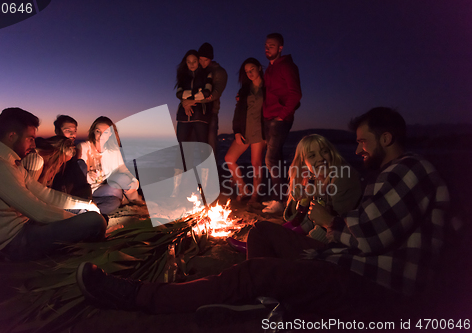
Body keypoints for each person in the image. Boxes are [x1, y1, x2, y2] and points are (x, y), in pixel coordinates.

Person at [76, 107, 449, 318]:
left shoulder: (410, 170)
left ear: (387, 139)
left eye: (363, 143)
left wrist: (331, 223)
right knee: (262, 233)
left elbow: (367, 237)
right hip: (341, 258)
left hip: (364, 282)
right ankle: (265, 304)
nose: (359, 150)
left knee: (252, 272)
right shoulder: (392, 174)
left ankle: (140, 296)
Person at [0, 108, 106, 262]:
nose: (34, 143)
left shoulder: (10, 162)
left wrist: (86, 205)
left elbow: (44, 194)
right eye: (30, 138)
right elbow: (39, 212)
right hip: (12, 243)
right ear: (11, 136)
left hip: (26, 227)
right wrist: (78, 219)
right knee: (95, 222)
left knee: (86, 212)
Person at [282, 134, 362, 242]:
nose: (321, 158)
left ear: (331, 153)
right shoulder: (315, 179)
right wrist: (299, 199)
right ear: (303, 163)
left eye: (324, 151)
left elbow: (338, 226)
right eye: (312, 155)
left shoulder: (343, 176)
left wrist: (304, 243)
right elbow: (296, 221)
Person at [261, 33, 302, 214]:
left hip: (279, 119)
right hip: (269, 118)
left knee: (270, 159)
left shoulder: (287, 66)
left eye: (271, 45)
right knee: (275, 159)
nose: (267, 48)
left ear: (280, 48)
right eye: (266, 45)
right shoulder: (269, 69)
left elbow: (296, 94)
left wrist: (282, 115)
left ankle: (280, 201)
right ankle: (279, 198)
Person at [77, 116, 141, 215]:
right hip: (90, 189)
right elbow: (76, 173)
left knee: (122, 179)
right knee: (116, 190)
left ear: (110, 134)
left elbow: (122, 169)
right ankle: (85, 211)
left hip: (107, 187)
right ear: (93, 131)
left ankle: (137, 201)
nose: (102, 135)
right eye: (98, 131)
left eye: (106, 132)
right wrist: (88, 175)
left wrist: (134, 181)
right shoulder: (84, 147)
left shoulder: (113, 150)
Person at [224, 58, 266, 203]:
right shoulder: (244, 90)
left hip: (260, 131)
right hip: (244, 130)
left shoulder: (268, 87)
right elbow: (238, 112)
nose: (249, 73)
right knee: (229, 158)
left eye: (252, 69)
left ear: (259, 68)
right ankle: (243, 188)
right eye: (247, 71)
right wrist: (236, 131)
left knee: (256, 163)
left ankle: (255, 196)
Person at [172, 50, 213, 196]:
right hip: (183, 116)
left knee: (203, 149)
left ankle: (205, 187)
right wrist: (189, 99)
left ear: (198, 61)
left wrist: (188, 100)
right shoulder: (183, 77)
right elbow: (178, 93)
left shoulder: (206, 74)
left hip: (200, 116)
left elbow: (207, 93)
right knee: (182, 150)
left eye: (194, 61)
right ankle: (177, 188)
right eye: (188, 62)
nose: (191, 64)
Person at [23, 115, 91, 199]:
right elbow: (31, 193)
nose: (72, 134)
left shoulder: (71, 154)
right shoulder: (38, 158)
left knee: (81, 164)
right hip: (48, 197)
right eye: (68, 130)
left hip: (60, 194)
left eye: (74, 131)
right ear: (57, 131)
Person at [182, 42, 227, 159]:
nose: (202, 63)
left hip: (211, 112)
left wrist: (191, 101)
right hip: (196, 112)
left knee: (210, 146)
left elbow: (215, 94)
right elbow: (187, 90)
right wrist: (185, 103)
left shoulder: (219, 72)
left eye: (205, 60)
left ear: (211, 59)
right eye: (200, 59)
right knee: (190, 145)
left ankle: (211, 175)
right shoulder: (197, 71)